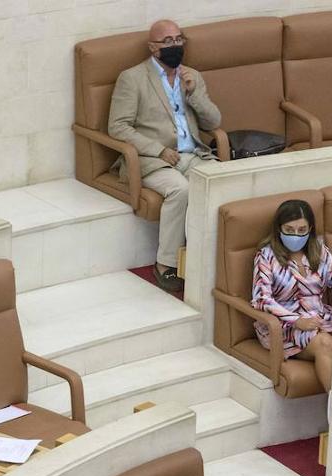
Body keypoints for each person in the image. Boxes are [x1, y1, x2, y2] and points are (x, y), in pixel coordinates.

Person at [108, 19, 221, 294]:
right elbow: (118, 126)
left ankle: (204, 258)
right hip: (154, 159)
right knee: (181, 190)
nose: (175, 46)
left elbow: (214, 120)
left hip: (193, 153)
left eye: (178, 39)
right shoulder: (133, 78)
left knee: (219, 183)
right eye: (167, 41)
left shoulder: (191, 76)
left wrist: (193, 93)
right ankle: (166, 264)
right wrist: (158, 149)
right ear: (152, 47)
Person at [251, 199, 332, 391]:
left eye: (302, 230)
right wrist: (296, 320)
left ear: (310, 229)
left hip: (319, 318)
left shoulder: (320, 251)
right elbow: (262, 299)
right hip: (284, 326)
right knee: (325, 344)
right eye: (289, 229)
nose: (296, 235)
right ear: (279, 229)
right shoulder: (266, 256)